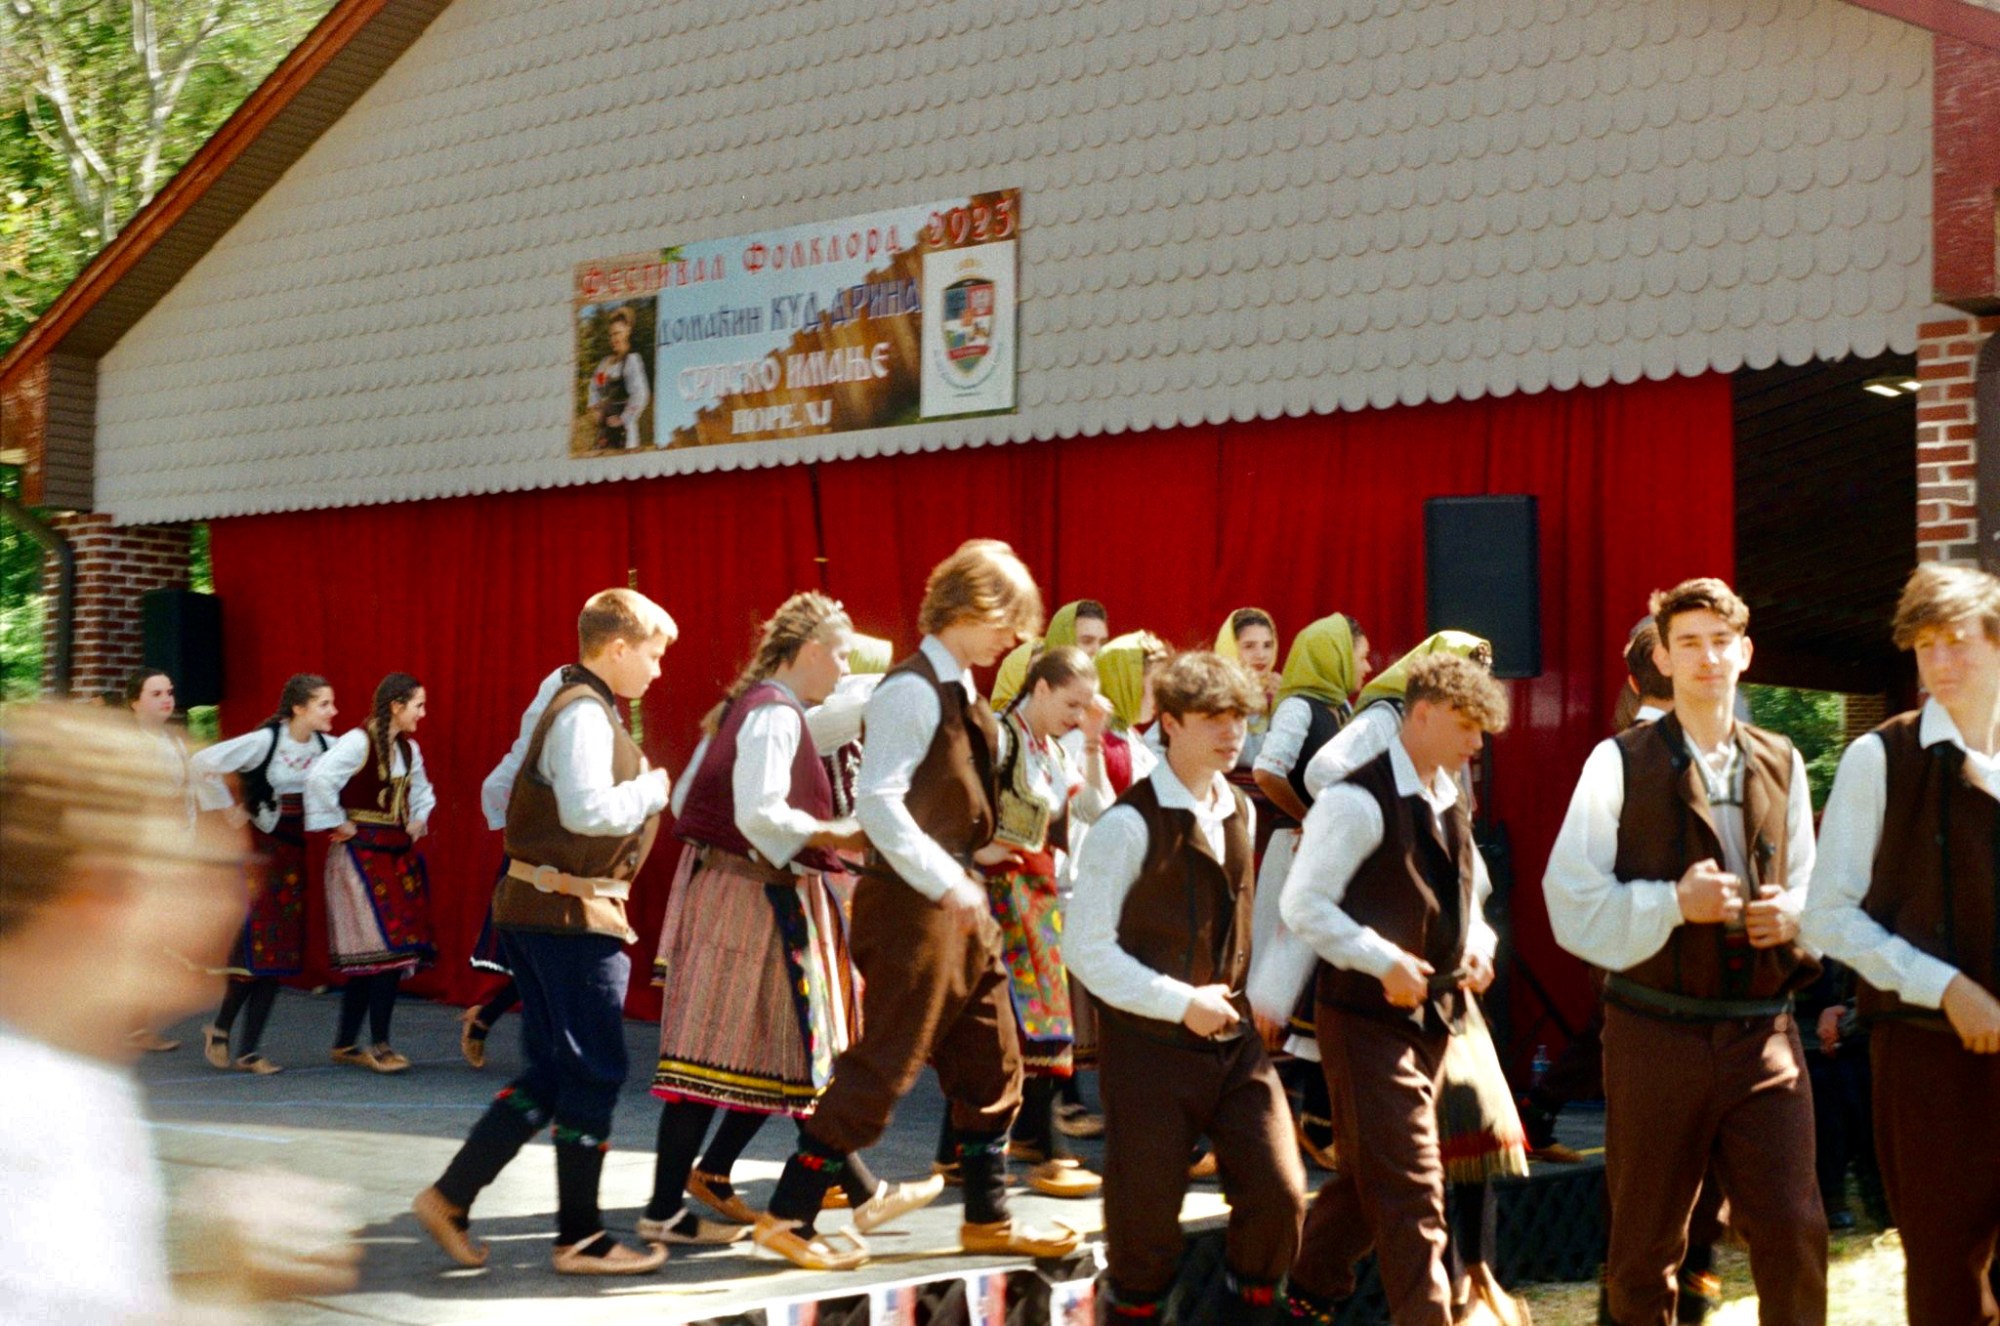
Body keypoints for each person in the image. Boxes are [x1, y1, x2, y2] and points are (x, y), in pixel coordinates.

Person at [754, 539, 1080, 1271]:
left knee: (993, 1060)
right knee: (887, 1063)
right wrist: (947, 880)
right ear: (971, 607)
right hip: (914, 906)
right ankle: (786, 1216)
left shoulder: (960, 691)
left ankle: (989, 1219)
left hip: (957, 901)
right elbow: (880, 804)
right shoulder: (909, 690)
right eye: (1009, 620)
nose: (1016, 638)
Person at [0, 702, 359, 1322]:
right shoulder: (30, 1108)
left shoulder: (76, 1082)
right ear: (101, 890)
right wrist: (233, 1293)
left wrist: (229, 1286)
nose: (232, 903)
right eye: (206, 872)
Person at [1544, 578, 1824, 1326]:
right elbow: (1568, 900)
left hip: (1764, 1030)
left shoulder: (1783, 759)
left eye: (1721, 642)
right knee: (1644, 1247)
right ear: (1663, 658)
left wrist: (1791, 916)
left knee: (1796, 1232)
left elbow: (1814, 891)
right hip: (1654, 1030)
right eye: (1690, 644)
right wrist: (1673, 904)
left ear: (1746, 654)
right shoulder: (1617, 761)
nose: (1707, 658)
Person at [647, 592, 931, 1245]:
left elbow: (694, 800)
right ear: (808, 651)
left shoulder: (764, 709)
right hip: (752, 895)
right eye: (836, 651)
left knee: (784, 1049)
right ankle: (673, 1208)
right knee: (725, 1054)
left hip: (746, 891)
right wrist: (839, 832)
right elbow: (758, 814)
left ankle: (856, 1194)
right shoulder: (773, 715)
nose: (842, 664)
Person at [414, 588, 679, 1276]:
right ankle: (582, 1238)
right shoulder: (585, 715)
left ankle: (451, 1196)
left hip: (534, 910)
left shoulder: (561, 700)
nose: (657, 670)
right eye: (652, 655)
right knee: (593, 1070)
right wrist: (652, 788)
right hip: (571, 917)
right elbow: (591, 811)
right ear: (617, 648)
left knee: (554, 1071)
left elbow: (495, 796)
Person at [1066, 650, 1307, 1324]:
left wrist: (1260, 994)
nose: (1232, 733)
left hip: (1231, 1045)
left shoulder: (1239, 809)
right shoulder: (1127, 824)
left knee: (1280, 1194)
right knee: (1143, 1229)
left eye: (1238, 717)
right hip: (1146, 1048)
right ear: (1169, 723)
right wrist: (1180, 1002)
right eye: (1212, 719)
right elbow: (1084, 950)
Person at [1281, 653, 1510, 1326]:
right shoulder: (1354, 799)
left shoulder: (1449, 797)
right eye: (1466, 726)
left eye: (1481, 732)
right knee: (1413, 1187)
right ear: (1422, 713)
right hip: (1360, 1021)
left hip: (1433, 1021)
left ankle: (1299, 1297)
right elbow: (1304, 905)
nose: (1475, 744)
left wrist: (1477, 947)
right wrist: (1380, 959)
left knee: (1366, 1181)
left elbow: (1476, 904)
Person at [1804, 562, 2000, 1326]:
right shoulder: (1880, 757)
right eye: (1925, 647)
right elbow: (1825, 915)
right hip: (1925, 1057)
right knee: (1948, 1276)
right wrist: (1944, 986)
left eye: (1958, 643)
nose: (1941, 664)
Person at [937, 645, 1114, 1197]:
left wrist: (1091, 742)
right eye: (1071, 702)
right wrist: (978, 848)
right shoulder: (1002, 738)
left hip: (1035, 896)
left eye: (1086, 705)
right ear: (1039, 689)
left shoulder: (1053, 750)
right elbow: (952, 797)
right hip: (997, 894)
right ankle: (975, 1148)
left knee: (1039, 1021)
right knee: (997, 1022)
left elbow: (1096, 809)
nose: (1078, 713)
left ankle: (1031, 1140)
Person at [1243, 613, 1369, 1167]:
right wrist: (1313, 816)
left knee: (1307, 990)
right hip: (1295, 851)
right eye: (1358, 655)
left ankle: (1306, 1123)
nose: (1365, 666)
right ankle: (1248, 1133)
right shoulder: (1298, 706)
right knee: (1277, 988)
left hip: (1319, 855)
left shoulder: (1341, 709)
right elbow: (1270, 772)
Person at [190, 672, 338, 1075]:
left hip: (293, 855)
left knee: (280, 953)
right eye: (324, 704)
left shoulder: (328, 746)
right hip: (261, 852)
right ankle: (220, 1027)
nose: (333, 711)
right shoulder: (266, 741)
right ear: (299, 707)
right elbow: (202, 763)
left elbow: (362, 759)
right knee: (256, 950)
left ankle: (250, 1050)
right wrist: (228, 810)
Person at [306, 672, 438, 1072]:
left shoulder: (408, 749)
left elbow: (424, 792)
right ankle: (379, 1044)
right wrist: (337, 822)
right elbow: (319, 777)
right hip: (359, 859)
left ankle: (346, 1043)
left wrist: (417, 819)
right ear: (396, 706)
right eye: (418, 705)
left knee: (376, 955)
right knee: (385, 952)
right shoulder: (358, 742)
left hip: (393, 855)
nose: (423, 712)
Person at [458, 665, 570, 1069]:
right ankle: (543, 1054)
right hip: (536, 856)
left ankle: (487, 1018)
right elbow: (503, 778)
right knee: (539, 953)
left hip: (573, 856)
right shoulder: (534, 746)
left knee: (557, 956)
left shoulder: (598, 723)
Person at [122, 667, 194, 1055]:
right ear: (135, 701)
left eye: (169, 691)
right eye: (155, 693)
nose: (166, 698)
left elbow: (185, 800)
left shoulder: (174, 742)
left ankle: (137, 1023)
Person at [989, 598, 1109, 711]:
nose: (1097, 650)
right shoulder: (1025, 660)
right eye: (1087, 641)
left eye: (1102, 643)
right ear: (1063, 637)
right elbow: (1003, 718)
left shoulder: (1107, 668)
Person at [588, 308, 650, 451]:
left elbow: (641, 394)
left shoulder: (632, 361)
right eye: (611, 335)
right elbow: (595, 386)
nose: (613, 339)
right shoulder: (605, 364)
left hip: (624, 433)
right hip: (604, 431)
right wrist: (595, 409)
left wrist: (623, 418)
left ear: (627, 331)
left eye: (617, 333)